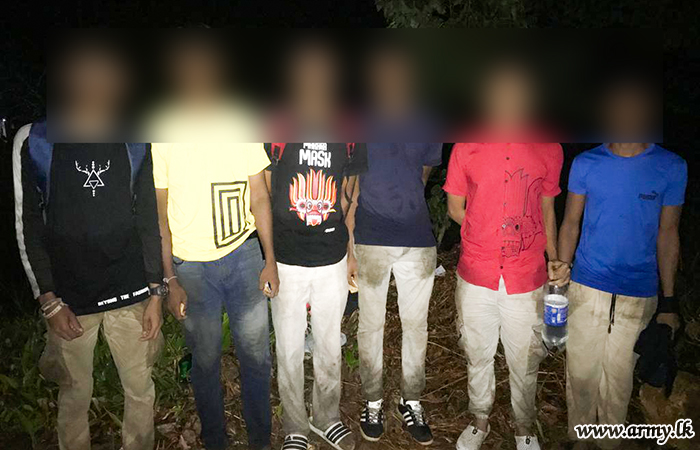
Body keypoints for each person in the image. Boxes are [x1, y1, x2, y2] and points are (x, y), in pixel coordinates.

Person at [13, 40, 165, 450]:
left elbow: (148, 218)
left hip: (131, 291)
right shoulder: (36, 140)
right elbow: (27, 225)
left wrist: (157, 292)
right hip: (69, 297)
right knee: (74, 394)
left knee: (140, 389)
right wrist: (48, 299)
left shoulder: (135, 139)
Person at [150, 34, 278, 450]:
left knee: (256, 356)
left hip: (244, 256)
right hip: (191, 268)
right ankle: (215, 440)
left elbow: (259, 194)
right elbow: (159, 213)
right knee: (204, 362)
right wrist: (169, 279)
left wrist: (269, 258)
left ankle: (261, 439)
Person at [555, 79, 686, 450]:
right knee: (580, 371)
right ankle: (580, 438)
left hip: (638, 291)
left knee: (619, 376)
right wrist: (561, 271)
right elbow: (571, 222)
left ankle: (609, 442)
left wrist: (669, 301)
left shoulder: (671, 167)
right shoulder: (586, 163)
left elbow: (668, 233)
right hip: (587, 283)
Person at [444, 59, 566, 450]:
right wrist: (484, 229)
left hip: (526, 274)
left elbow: (548, 209)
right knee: (476, 353)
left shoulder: (549, 148)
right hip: (476, 272)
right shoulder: (467, 145)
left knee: (525, 359)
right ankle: (479, 418)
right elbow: (455, 207)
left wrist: (555, 257)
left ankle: (524, 426)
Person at [264, 38, 367, 450]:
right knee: (289, 349)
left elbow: (351, 197)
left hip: (332, 257)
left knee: (328, 345)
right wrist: (268, 257)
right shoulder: (277, 124)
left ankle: (326, 417)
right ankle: (294, 425)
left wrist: (352, 252)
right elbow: (264, 190)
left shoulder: (349, 128)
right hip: (287, 258)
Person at [351, 43, 441, 445]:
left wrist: (404, 203)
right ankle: (372, 399)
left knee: (415, 326)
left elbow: (423, 173)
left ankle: (411, 399)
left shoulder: (428, 119)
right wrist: (350, 241)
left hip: (417, 240)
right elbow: (351, 183)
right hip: (370, 236)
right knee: (370, 324)